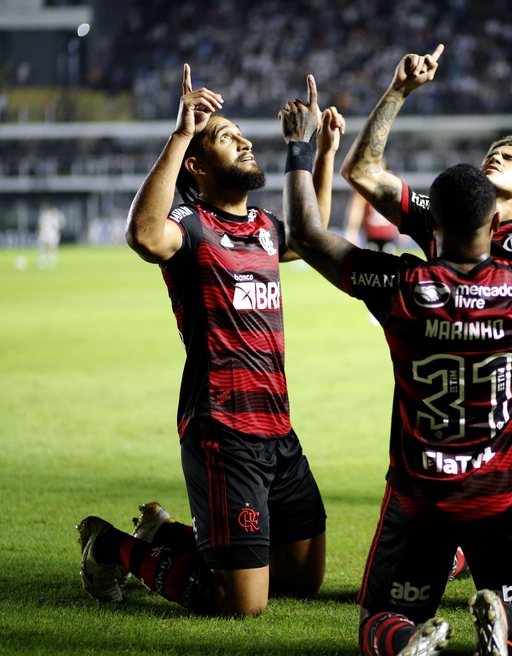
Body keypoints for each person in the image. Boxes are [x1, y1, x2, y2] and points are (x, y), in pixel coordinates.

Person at [280, 45, 512, 655]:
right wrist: (397, 89)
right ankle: (469, 568)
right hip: (483, 456)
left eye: (505, 157)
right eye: (485, 157)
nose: (490, 158)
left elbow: (313, 236)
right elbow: (365, 174)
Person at [74, 63, 343, 618]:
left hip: (278, 428)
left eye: (243, 134)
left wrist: (321, 153)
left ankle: (166, 532)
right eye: (227, 137)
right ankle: (111, 547)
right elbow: (144, 234)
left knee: (301, 581)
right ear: (197, 166)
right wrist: (179, 134)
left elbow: (313, 235)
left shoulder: (266, 228)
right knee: (241, 605)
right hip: (223, 430)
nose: (244, 139)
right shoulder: (190, 224)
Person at [36, 202, 64, 270]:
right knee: (43, 250)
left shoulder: (55, 216)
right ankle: (42, 264)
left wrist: (57, 234)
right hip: (45, 234)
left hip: (51, 235)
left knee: (51, 250)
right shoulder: (44, 215)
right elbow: (40, 225)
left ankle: (51, 264)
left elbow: (59, 227)